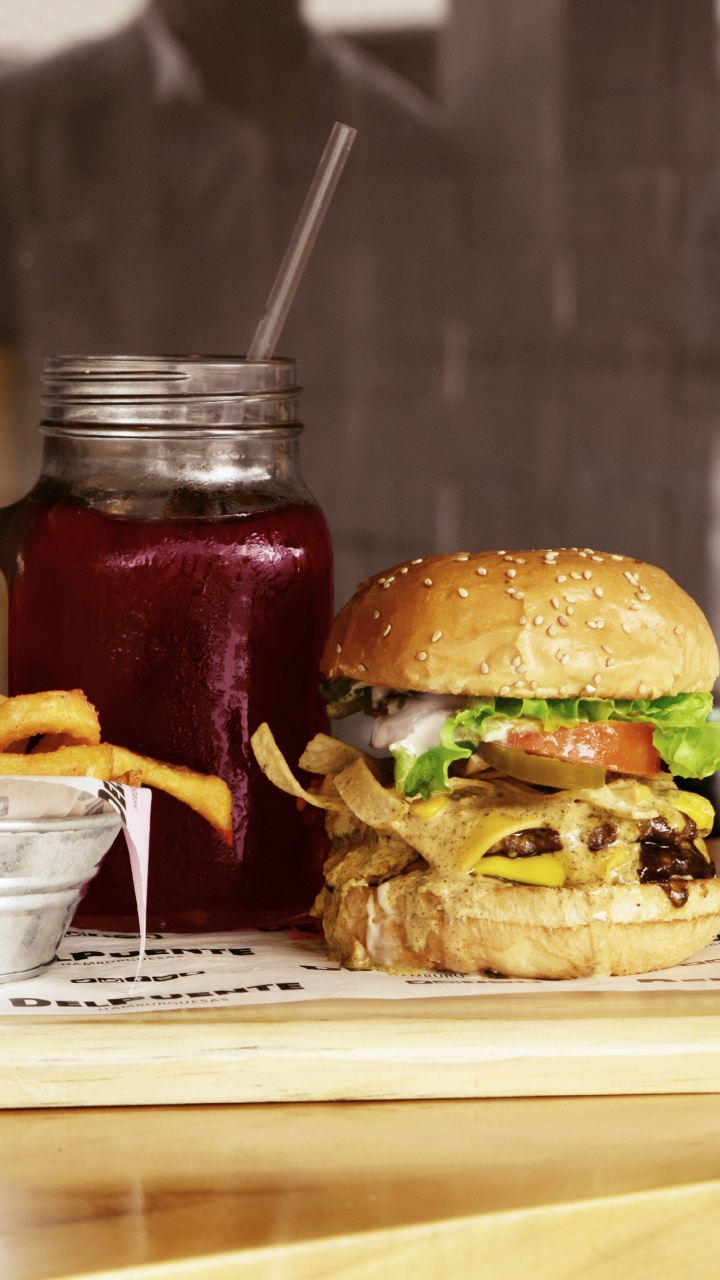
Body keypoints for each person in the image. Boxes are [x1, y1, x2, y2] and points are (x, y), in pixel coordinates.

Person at [0, 0, 458, 603]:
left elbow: (432, 418)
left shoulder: (403, 147)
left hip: (312, 590)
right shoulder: (24, 121)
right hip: (86, 587)